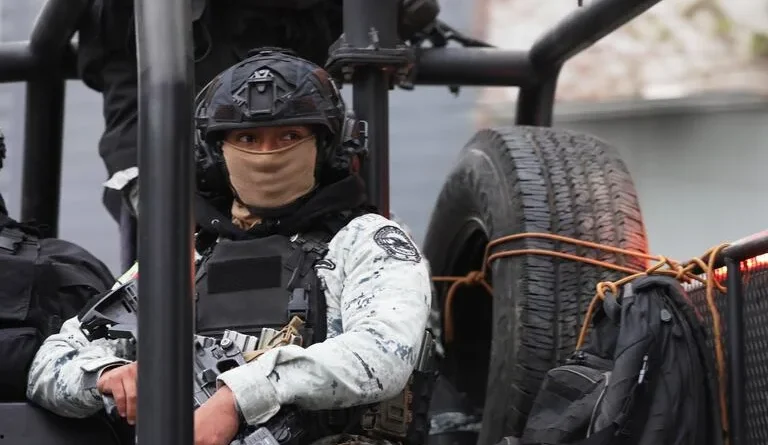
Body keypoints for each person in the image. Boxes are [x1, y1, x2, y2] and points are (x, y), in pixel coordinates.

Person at [26, 48, 433, 445]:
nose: (267, 155)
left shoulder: (366, 241)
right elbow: (51, 362)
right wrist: (107, 375)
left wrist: (238, 397)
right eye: (248, 138)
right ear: (214, 154)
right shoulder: (186, 255)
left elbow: (383, 354)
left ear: (327, 148)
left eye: (289, 136)